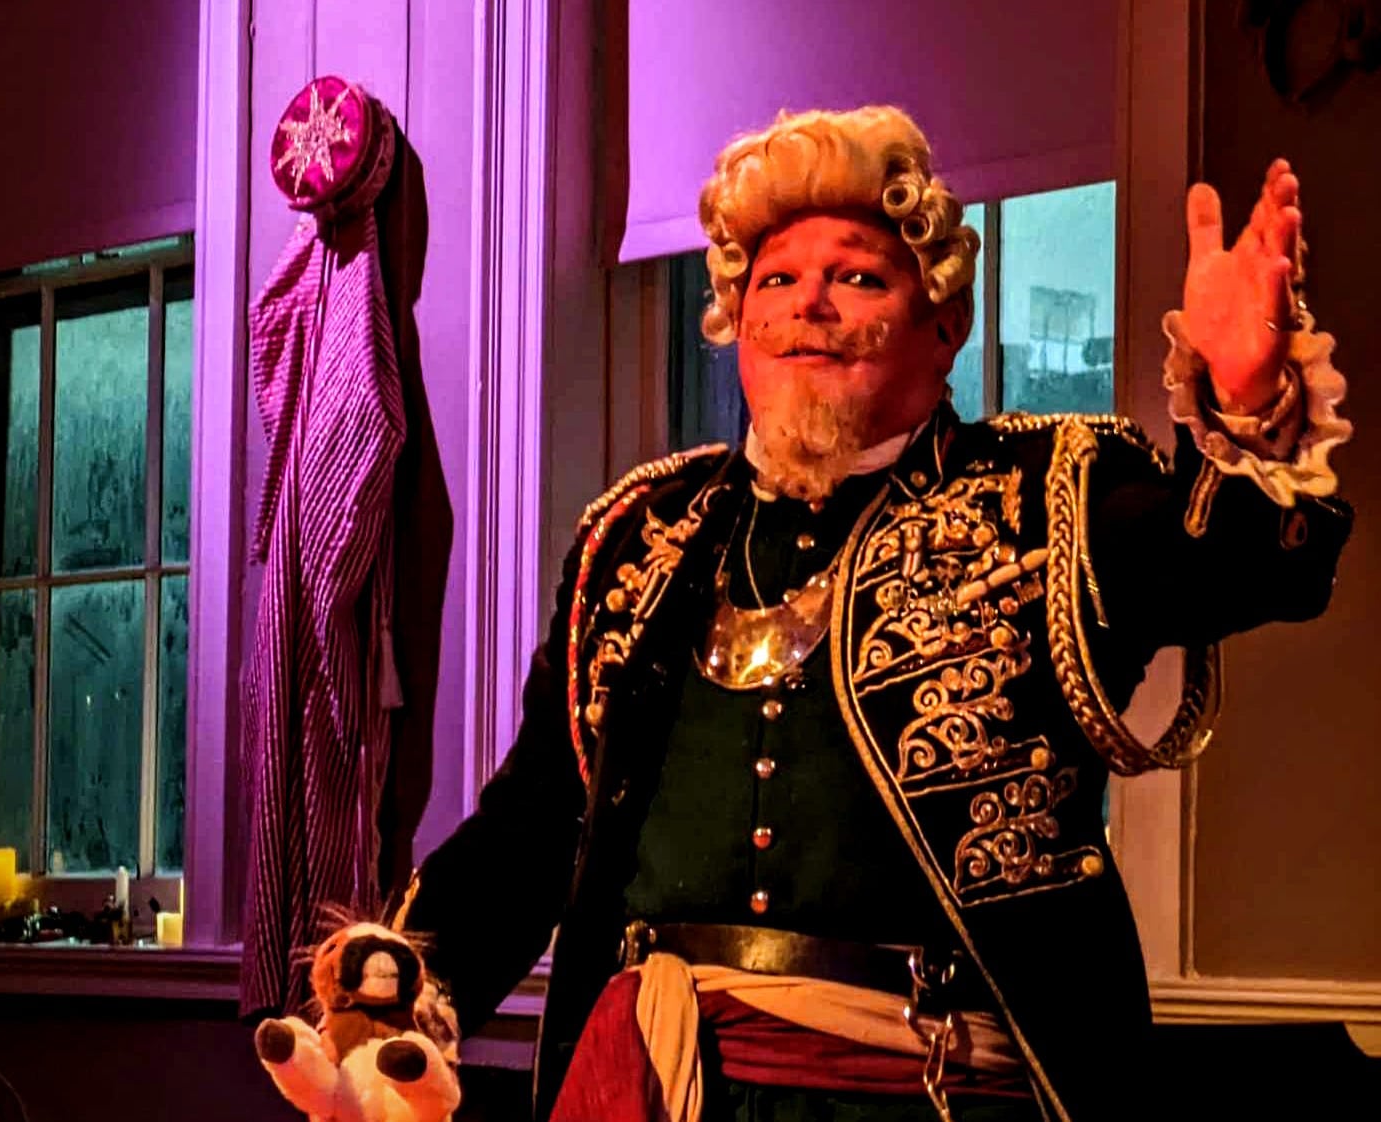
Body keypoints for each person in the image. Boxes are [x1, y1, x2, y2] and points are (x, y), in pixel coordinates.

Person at [394, 106, 1353, 1122]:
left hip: (927, 1098)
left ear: (944, 323)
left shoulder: (1044, 496)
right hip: (656, 1089)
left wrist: (1246, 403)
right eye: (773, 281)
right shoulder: (635, 538)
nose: (810, 304)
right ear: (734, 325)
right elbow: (535, 825)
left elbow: (1237, 567)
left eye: (856, 277)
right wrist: (398, 1006)